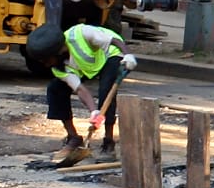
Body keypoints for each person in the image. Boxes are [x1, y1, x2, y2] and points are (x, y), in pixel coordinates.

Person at [26, 22, 137, 157]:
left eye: (46, 60)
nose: (45, 64)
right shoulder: (58, 67)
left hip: (111, 53)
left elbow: (113, 40)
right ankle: (74, 138)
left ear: (59, 50)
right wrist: (94, 111)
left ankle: (108, 142)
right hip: (88, 67)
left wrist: (128, 55)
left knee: (106, 89)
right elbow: (79, 89)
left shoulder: (80, 34)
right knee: (55, 89)